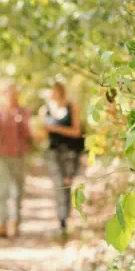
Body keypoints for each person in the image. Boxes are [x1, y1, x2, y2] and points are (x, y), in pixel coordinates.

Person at [0, 81, 35, 239]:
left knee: (17, 191)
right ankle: (2, 224)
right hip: (2, 156)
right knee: (2, 191)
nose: (13, 96)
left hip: (20, 155)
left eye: (15, 93)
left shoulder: (24, 112)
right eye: (9, 93)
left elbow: (29, 136)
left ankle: (16, 223)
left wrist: (23, 123)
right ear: (3, 94)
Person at [39, 81, 84, 237]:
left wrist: (56, 129)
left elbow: (77, 132)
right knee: (58, 185)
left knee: (67, 185)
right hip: (53, 153)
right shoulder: (45, 110)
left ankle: (66, 218)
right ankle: (62, 221)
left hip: (71, 153)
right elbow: (42, 135)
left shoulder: (72, 108)